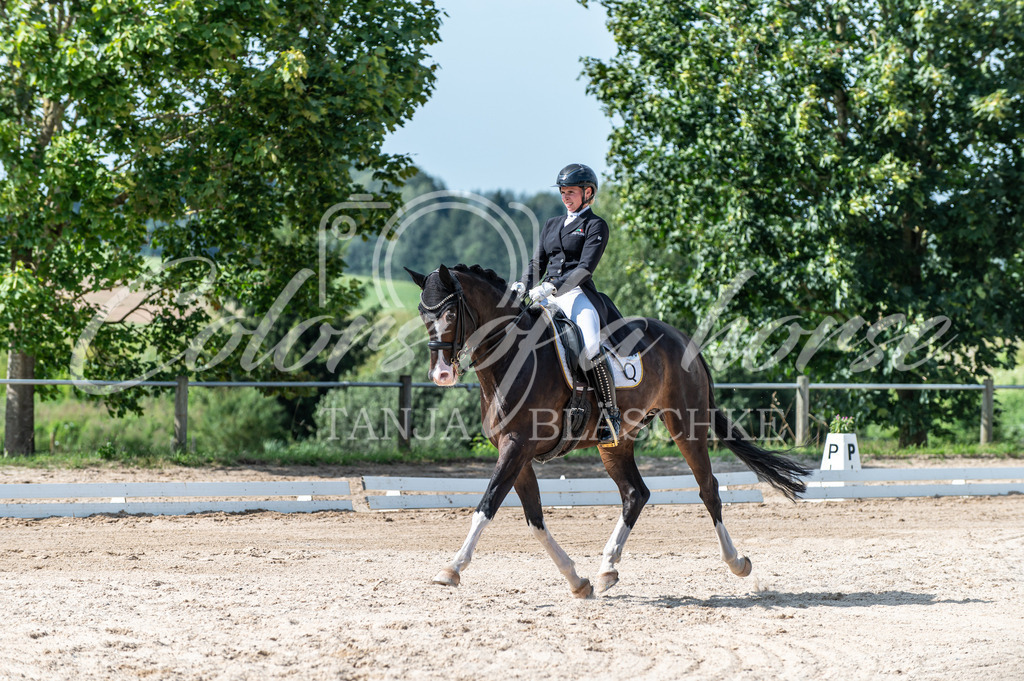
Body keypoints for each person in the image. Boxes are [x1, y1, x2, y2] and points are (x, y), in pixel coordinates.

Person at [510, 163, 625, 445]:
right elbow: (538, 262)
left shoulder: (595, 225)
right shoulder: (551, 224)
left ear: (588, 193)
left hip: (576, 295)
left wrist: (555, 286)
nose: (565, 197)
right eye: (563, 192)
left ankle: (610, 415)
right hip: (544, 294)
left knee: (590, 345)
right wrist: (523, 284)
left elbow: (585, 267)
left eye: (571, 192)